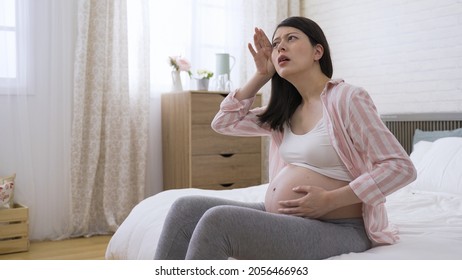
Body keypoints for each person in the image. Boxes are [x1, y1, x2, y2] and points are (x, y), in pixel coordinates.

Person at [154, 16, 417, 260]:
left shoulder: (347, 99)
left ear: (317, 51)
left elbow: (400, 168)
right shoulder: (287, 111)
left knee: (218, 221)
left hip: (340, 227)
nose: (281, 48)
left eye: (291, 38)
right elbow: (224, 122)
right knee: (184, 209)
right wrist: (261, 75)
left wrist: (330, 200)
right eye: (276, 43)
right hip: (289, 217)